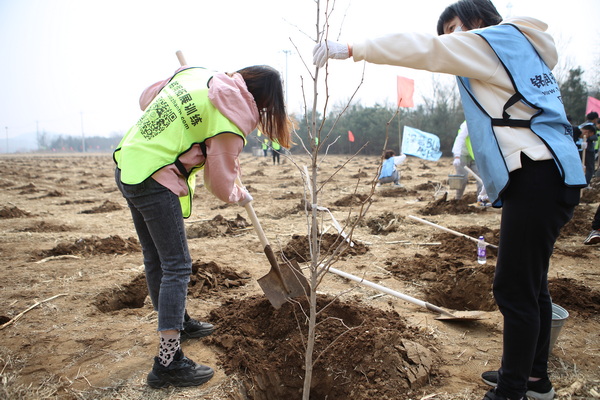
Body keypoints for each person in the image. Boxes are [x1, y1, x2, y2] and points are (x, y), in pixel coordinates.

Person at [312, 1, 587, 399]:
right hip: (554, 172)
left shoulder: (490, 41)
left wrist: (353, 48)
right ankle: (532, 378)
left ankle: (511, 391)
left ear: (479, 21)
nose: (452, 39)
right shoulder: (521, 47)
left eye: (456, 27)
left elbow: (426, 49)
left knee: (513, 289)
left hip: (536, 173)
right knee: (532, 284)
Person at [114, 64, 291, 388]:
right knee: (177, 265)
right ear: (265, 105)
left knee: (156, 259)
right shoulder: (230, 119)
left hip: (129, 163)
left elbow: (145, 100)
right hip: (155, 178)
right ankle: (167, 362)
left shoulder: (197, 76)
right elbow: (221, 184)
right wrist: (241, 193)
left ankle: (178, 321)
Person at [452, 120, 487, 203]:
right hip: (462, 155)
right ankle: (458, 200)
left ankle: (481, 200)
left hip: (474, 156)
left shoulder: (484, 124)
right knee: (462, 179)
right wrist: (457, 156)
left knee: (481, 178)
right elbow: (459, 139)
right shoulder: (467, 124)